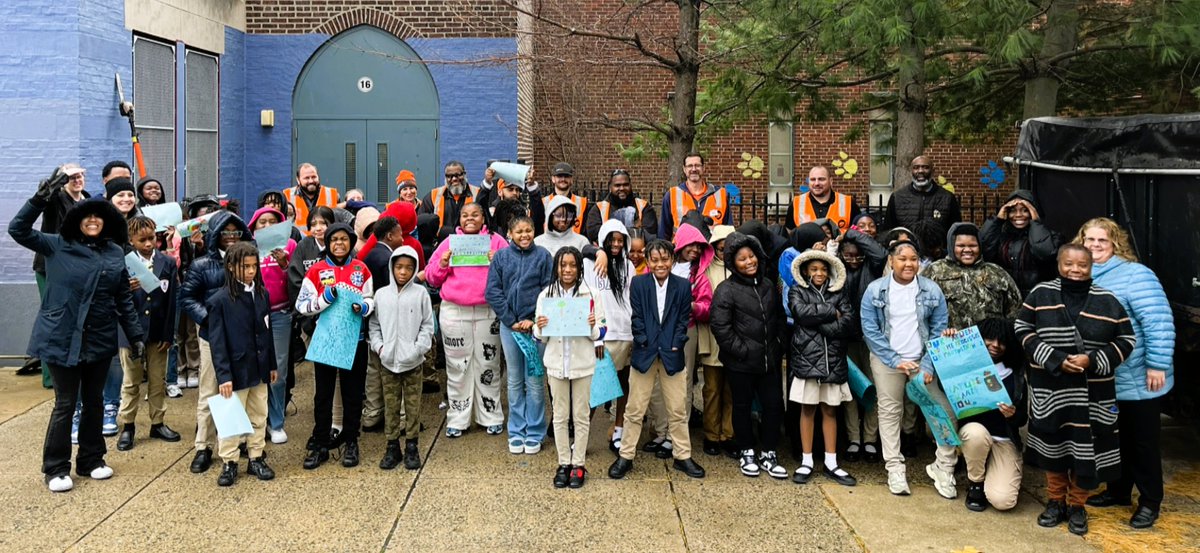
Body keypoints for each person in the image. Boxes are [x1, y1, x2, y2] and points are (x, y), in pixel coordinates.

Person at [10, 172, 144, 493]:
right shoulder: (56, 245)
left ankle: (91, 460)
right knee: (66, 403)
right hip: (61, 336)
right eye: (87, 216)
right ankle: (56, 468)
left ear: (107, 222)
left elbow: (123, 297)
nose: (93, 220)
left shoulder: (114, 252)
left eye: (99, 216)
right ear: (77, 220)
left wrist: (135, 334)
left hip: (98, 336)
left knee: (95, 401)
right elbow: (17, 229)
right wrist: (39, 199)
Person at [1014, 243, 1135, 536]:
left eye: (1082, 265)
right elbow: (1021, 328)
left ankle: (1078, 505)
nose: (1075, 270)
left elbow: (1127, 339)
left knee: (1086, 452)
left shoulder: (1107, 300)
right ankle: (1055, 502)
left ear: (1091, 267)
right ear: (1059, 264)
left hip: (1094, 393)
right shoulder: (1041, 294)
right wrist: (1053, 359)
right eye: (1069, 264)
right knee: (1054, 450)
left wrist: (1092, 360)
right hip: (1052, 389)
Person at [1077, 218, 1176, 529]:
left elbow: (1158, 321)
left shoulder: (1136, 275)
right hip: (1105, 377)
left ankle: (1149, 501)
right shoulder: (1081, 274)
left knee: (1143, 442)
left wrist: (1157, 364)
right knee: (1112, 439)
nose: (1094, 246)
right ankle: (1118, 491)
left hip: (1139, 375)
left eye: (1101, 241)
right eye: (1088, 240)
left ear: (1115, 244)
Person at [860, 240, 959, 498]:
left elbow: (939, 328)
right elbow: (870, 331)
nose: (908, 263)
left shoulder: (931, 290)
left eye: (913, 258)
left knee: (942, 410)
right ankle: (894, 467)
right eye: (902, 258)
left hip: (921, 360)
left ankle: (944, 467)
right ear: (891, 261)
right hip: (887, 360)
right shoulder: (875, 291)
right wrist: (894, 360)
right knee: (891, 411)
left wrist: (927, 363)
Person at [609, 239, 705, 480]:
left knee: (677, 408)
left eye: (665, 259)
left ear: (672, 260)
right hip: (645, 352)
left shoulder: (683, 286)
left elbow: (683, 320)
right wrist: (645, 341)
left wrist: (675, 343)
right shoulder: (639, 283)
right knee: (634, 408)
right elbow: (637, 318)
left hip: (673, 353)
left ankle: (682, 456)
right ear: (648, 262)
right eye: (655, 260)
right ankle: (626, 455)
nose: (660, 264)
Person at [178, 210, 254, 474]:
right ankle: (203, 446)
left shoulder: (249, 263)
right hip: (212, 337)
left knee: (240, 389)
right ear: (216, 235)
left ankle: (237, 441)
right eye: (225, 233)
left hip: (243, 339)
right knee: (211, 391)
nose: (231, 238)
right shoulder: (201, 266)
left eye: (236, 233)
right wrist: (210, 320)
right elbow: (187, 298)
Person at [423, 203, 509, 437]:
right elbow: (431, 277)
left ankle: (490, 415)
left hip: (487, 311)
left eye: (475, 215)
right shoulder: (449, 243)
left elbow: (512, 274)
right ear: (459, 219)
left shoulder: (497, 242)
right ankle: (458, 418)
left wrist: (498, 261)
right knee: (457, 366)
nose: (470, 219)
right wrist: (442, 263)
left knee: (488, 364)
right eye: (465, 215)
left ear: (484, 218)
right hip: (455, 311)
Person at [296, 223, 375, 469]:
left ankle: (351, 440)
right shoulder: (317, 270)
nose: (339, 244)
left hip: (355, 341)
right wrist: (323, 300)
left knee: (353, 394)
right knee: (323, 395)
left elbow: (371, 299)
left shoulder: (361, 269)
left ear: (351, 242)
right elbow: (302, 305)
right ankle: (320, 443)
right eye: (334, 240)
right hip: (327, 341)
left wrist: (364, 308)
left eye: (344, 239)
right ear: (328, 244)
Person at [709, 232, 788, 479]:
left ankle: (769, 452)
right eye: (742, 259)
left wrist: (777, 345)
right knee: (741, 407)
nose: (749, 262)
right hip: (741, 363)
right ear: (734, 263)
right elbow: (721, 327)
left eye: (751, 256)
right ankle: (747, 451)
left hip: (769, 361)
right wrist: (741, 351)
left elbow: (779, 319)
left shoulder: (767, 285)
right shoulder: (726, 289)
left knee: (773, 406)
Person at [201, 241, 278, 486]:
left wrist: (272, 364)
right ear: (232, 267)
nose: (251, 271)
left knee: (259, 414)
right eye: (245, 266)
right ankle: (229, 461)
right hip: (236, 368)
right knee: (232, 418)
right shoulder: (219, 301)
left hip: (259, 367)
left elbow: (267, 332)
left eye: (254, 266)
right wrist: (224, 376)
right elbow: (218, 343)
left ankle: (256, 456)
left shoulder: (262, 294)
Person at [535, 247, 606, 488]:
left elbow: (601, 332)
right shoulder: (546, 296)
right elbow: (541, 337)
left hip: (582, 364)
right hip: (556, 363)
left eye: (572, 265)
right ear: (556, 267)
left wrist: (592, 326)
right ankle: (563, 462)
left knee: (581, 415)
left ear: (579, 268)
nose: (567, 270)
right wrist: (540, 326)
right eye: (563, 265)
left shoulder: (591, 294)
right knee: (560, 415)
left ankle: (579, 463)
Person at [788, 249, 858, 486]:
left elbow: (848, 321)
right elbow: (800, 313)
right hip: (807, 359)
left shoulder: (838, 291)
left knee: (830, 410)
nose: (819, 273)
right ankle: (806, 460)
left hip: (833, 360)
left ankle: (831, 461)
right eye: (814, 269)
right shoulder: (798, 290)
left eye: (823, 269)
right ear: (806, 271)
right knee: (807, 409)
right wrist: (831, 313)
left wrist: (822, 325)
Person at [487, 215, 553, 454]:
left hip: (536, 328)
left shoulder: (544, 256)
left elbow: (549, 290)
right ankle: (516, 429)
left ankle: (535, 431)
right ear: (510, 234)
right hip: (510, 327)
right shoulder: (502, 257)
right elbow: (493, 291)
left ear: (535, 230)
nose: (524, 235)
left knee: (535, 380)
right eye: (519, 232)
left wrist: (533, 319)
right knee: (514, 379)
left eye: (528, 230)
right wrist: (511, 320)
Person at [115, 216, 181, 451]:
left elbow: (172, 301)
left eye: (151, 238)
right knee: (131, 382)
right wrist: (125, 288)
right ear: (131, 240)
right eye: (141, 240)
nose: (148, 244)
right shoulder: (123, 263)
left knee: (157, 380)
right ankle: (128, 426)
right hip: (130, 332)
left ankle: (158, 422)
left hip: (157, 331)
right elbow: (114, 300)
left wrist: (168, 335)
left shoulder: (168, 263)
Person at [369, 246, 434, 471]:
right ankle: (392, 445)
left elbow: (427, 324)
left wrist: (418, 349)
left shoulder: (420, 294)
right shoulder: (381, 294)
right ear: (392, 268)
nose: (403, 272)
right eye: (399, 267)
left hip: (413, 361)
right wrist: (379, 347)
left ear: (415, 268)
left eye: (408, 267)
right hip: (388, 361)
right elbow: (374, 324)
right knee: (391, 404)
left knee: (414, 405)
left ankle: (412, 445)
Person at [30, 163, 90, 389]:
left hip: (79, 268)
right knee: (52, 319)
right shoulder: (56, 200)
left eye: (80, 176)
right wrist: (58, 178)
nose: (77, 180)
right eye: (72, 177)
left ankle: (73, 371)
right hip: (50, 267)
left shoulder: (88, 201)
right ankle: (51, 377)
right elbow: (44, 196)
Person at [958, 318, 1026, 512]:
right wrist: (952, 340)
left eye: (1002, 341)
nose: (996, 345)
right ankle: (975, 483)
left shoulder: (1016, 373)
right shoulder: (966, 367)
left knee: (1003, 501)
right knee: (975, 433)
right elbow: (943, 386)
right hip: (974, 435)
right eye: (990, 339)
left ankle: (995, 470)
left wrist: (1013, 415)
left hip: (1003, 439)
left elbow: (1023, 419)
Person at [583, 220, 636, 453]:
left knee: (624, 385)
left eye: (620, 240)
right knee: (597, 389)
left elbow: (632, 299)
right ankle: (583, 435)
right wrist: (599, 252)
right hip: (603, 335)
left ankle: (619, 430)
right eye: (611, 239)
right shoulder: (590, 263)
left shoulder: (629, 266)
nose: (616, 244)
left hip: (626, 333)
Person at [837, 228, 887, 463]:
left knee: (873, 390)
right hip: (845, 339)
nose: (854, 259)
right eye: (849, 255)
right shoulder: (836, 269)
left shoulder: (872, 266)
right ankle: (854, 439)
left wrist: (851, 234)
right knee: (850, 391)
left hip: (870, 339)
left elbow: (878, 252)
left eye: (858, 255)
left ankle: (870, 439)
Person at [248, 206, 297, 445]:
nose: (267, 226)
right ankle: (257, 420)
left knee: (278, 370)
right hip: (252, 316)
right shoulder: (248, 249)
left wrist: (285, 265)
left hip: (280, 314)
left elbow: (298, 282)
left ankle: (276, 423)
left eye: (272, 222)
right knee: (253, 369)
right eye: (261, 222)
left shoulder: (290, 246)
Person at [920, 223, 1022, 329]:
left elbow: (1015, 309)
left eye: (973, 245)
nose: (968, 250)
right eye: (961, 246)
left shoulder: (996, 272)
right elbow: (921, 310)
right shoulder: (935, 271)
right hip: (951, 341)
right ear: (951, 246)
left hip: (990, 342)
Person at [697, 225, 735, 457]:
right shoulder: (705, 269)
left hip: (734, 338)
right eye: (720, 248)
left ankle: (728, 434)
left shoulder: (738, 267)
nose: (723, 252)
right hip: (711, 336)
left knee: (731, 390)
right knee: (711, 389)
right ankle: (711, 434)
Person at [980, 189, 1061, 296]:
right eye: (1013, 210)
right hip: (1006, 299)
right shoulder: (1001, 236)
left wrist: (1036, 222)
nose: (1018, 215)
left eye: (1025, 210)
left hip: (1036, 298)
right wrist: (997, 221)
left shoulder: (1051, 237)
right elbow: (984, 248)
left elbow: (1044, 252)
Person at [660, 153, 732, 241]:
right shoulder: (672, 195)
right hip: (683, 251)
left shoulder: (720, 194)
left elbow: (729, 232)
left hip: (712, 251)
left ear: (703, 168)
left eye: (697, 165)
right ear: (684, 169)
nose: (694, 169)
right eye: (690, 166)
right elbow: (663, 233)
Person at [884, 156, 961, 231]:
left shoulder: (947, 198)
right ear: (911, 171)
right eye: (916, 167)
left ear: (933, 171)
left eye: (925, 167)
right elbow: (888, 231)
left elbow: (955, 232)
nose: (920, 171)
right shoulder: (897, 197)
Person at [584, 168, 658, 243]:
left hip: (637, 253)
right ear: (610, 187)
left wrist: (610, 231)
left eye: (625, 185)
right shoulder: (598, 209)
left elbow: (650, 234)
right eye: (617, 185)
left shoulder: (644, 206)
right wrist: (634, 230)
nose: (622, 188)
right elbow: (593, 234)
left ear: (630, 185)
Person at [785, 166, 861, 231]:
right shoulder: (796, 203)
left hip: (838, 247)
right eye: (813, 179)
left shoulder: (848, 203)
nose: (816, 183)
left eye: (821, 179)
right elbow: (790, 233)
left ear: (831, 181)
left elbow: (858, 233)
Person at [419, 161, 480, 241]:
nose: (454, 179)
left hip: (471, 243)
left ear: (464, 174)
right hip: (440, 243)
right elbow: (423, 223)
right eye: (449, 176)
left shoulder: (478, 194)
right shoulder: (433, 196)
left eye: (458, 175)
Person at [283, 162, 340, 235]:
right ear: (298, 180)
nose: (311, 181)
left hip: (324, 242)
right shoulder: (286, 196)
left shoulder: (333, 194)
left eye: (314, 177)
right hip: (298, 243)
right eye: (306, 178)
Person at [538, 162, 588, 235]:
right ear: (553, 179)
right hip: (549, 244)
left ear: (571, 180)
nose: (563, 179)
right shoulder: (543, 202)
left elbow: (585, 231)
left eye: (566, 176)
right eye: (559, 176)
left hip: (575, 244)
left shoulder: (582, 203)